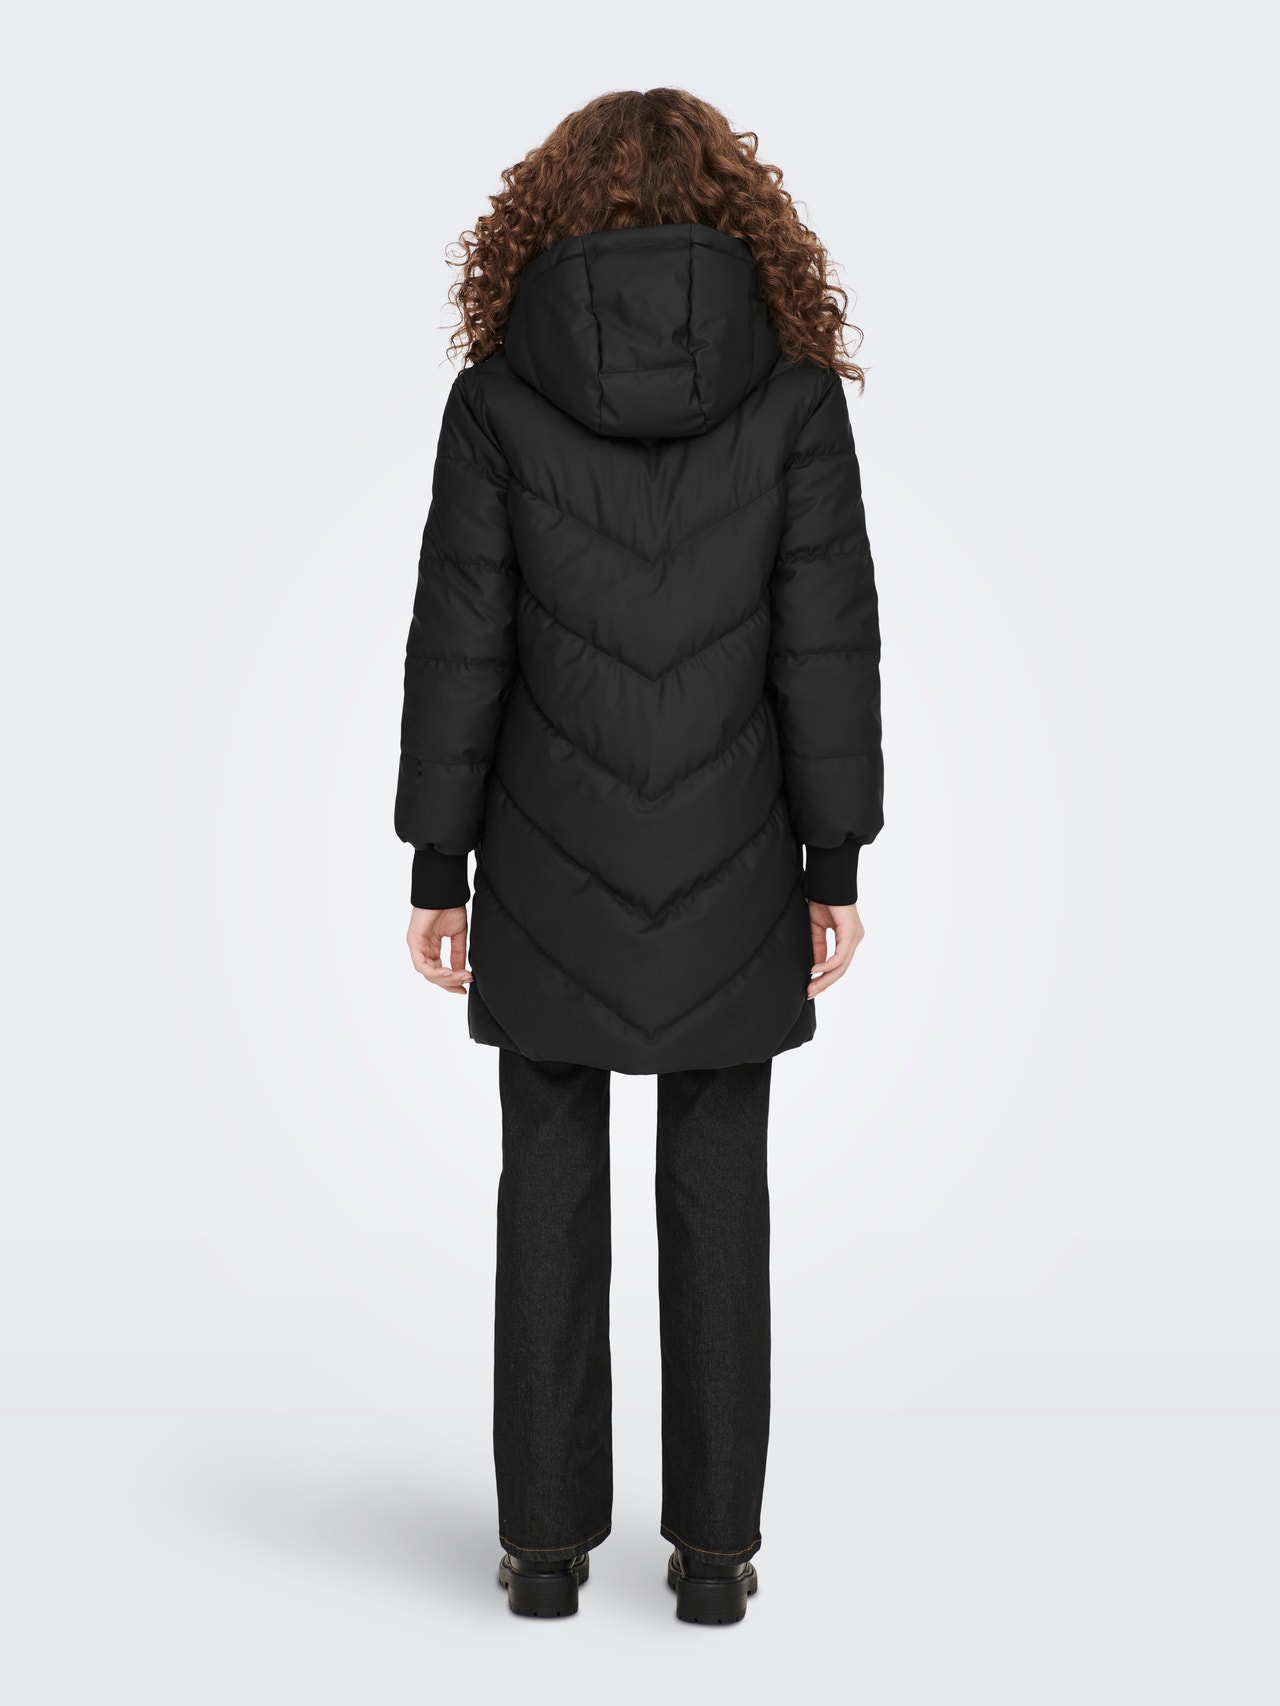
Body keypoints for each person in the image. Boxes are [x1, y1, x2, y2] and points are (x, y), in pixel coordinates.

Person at [394, 88, 883, 1623]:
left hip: (548, 860)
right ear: (742, 221)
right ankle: (716, 1559)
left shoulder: (497, 403)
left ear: (546, 218)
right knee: (719, 1188)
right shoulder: (795, 401)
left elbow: (458, 649)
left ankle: (544, 1553)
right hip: (735, 857)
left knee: (546, 1183)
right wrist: (833, 860)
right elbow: (827, 649)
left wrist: (438, 865)